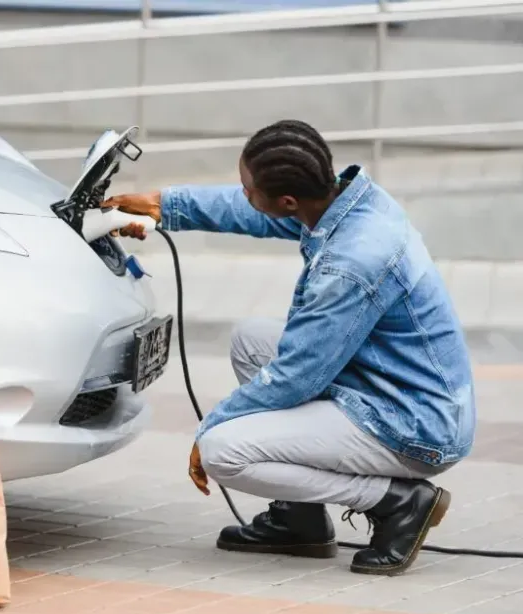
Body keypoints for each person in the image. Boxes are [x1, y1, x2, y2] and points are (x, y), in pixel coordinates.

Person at [104, 119, 475, 576]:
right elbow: (253, 213)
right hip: (392, 386)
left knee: (224, 452)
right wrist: (165, 205)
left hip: (415, 427)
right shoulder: (352, 202)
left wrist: (208, 430)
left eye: (247, 188)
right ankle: (299, 517)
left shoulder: (351, 264)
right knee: (252, 340)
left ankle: (398, 502)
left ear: (288, 200)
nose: (242, 194)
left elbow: (296, 377)